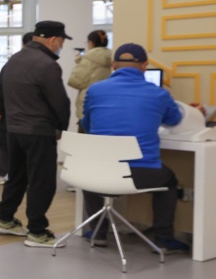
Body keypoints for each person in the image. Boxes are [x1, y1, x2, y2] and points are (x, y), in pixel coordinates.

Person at [80, 43, 194, 253]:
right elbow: (174, 120)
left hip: (98, 171)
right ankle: (163, 239)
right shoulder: (158, 94)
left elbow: (87, 124)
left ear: (113, 65)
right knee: (169, 180)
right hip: (140, 174)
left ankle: (98, 232)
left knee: (93, 171)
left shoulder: (95, 90)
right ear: (144, 66)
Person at [0, 20, 72, 248]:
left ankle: (5, 219)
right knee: (42, 181)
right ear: (53, 40)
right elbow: (60, 102)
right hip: (39, 131)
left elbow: (0, 90)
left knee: (17, 176)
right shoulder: (47, 65)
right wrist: (61, 128)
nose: (61, 46)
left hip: (14, 130)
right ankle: (37, 231)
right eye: (62, 42)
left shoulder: (14, 59)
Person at [0, 31, 33, 185]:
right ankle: (17, 175)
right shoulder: (42, 64)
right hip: (27, 113)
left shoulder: (13, 62)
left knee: (4, 143)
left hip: (10, 111)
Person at [67, 30, 112, 130]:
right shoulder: (111, 57)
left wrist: (80, 62)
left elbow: (75, 81)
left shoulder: (88, 58)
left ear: (91, 42)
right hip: (105, 103)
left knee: (84, 135)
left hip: (88, 103)